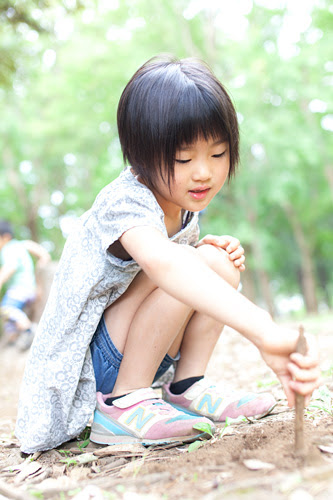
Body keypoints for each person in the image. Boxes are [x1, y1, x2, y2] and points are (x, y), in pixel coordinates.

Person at [16, 55, 320, 454]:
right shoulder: (124, 202)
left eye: (218, 154)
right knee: (187, 265)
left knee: (218, 261)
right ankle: (124, 403)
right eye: (183, 158)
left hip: (136, 348)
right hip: (90, 372)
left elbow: (175, 266)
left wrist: (202, 252)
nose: (204, 173)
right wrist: (263, 329)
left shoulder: (183, 203)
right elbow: (164, 264)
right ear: (141, 154)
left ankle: (187, 386)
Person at [0, 220, 50, 349]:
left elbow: (10, 267)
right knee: (9, 319)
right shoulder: (21, 245)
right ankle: (15, 336)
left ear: (5, 237)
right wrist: (43, 261)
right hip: (29, 289)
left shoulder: (8, 249)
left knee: (6, 308)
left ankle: (30, 330)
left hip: (19, 289)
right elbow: (41, 252)